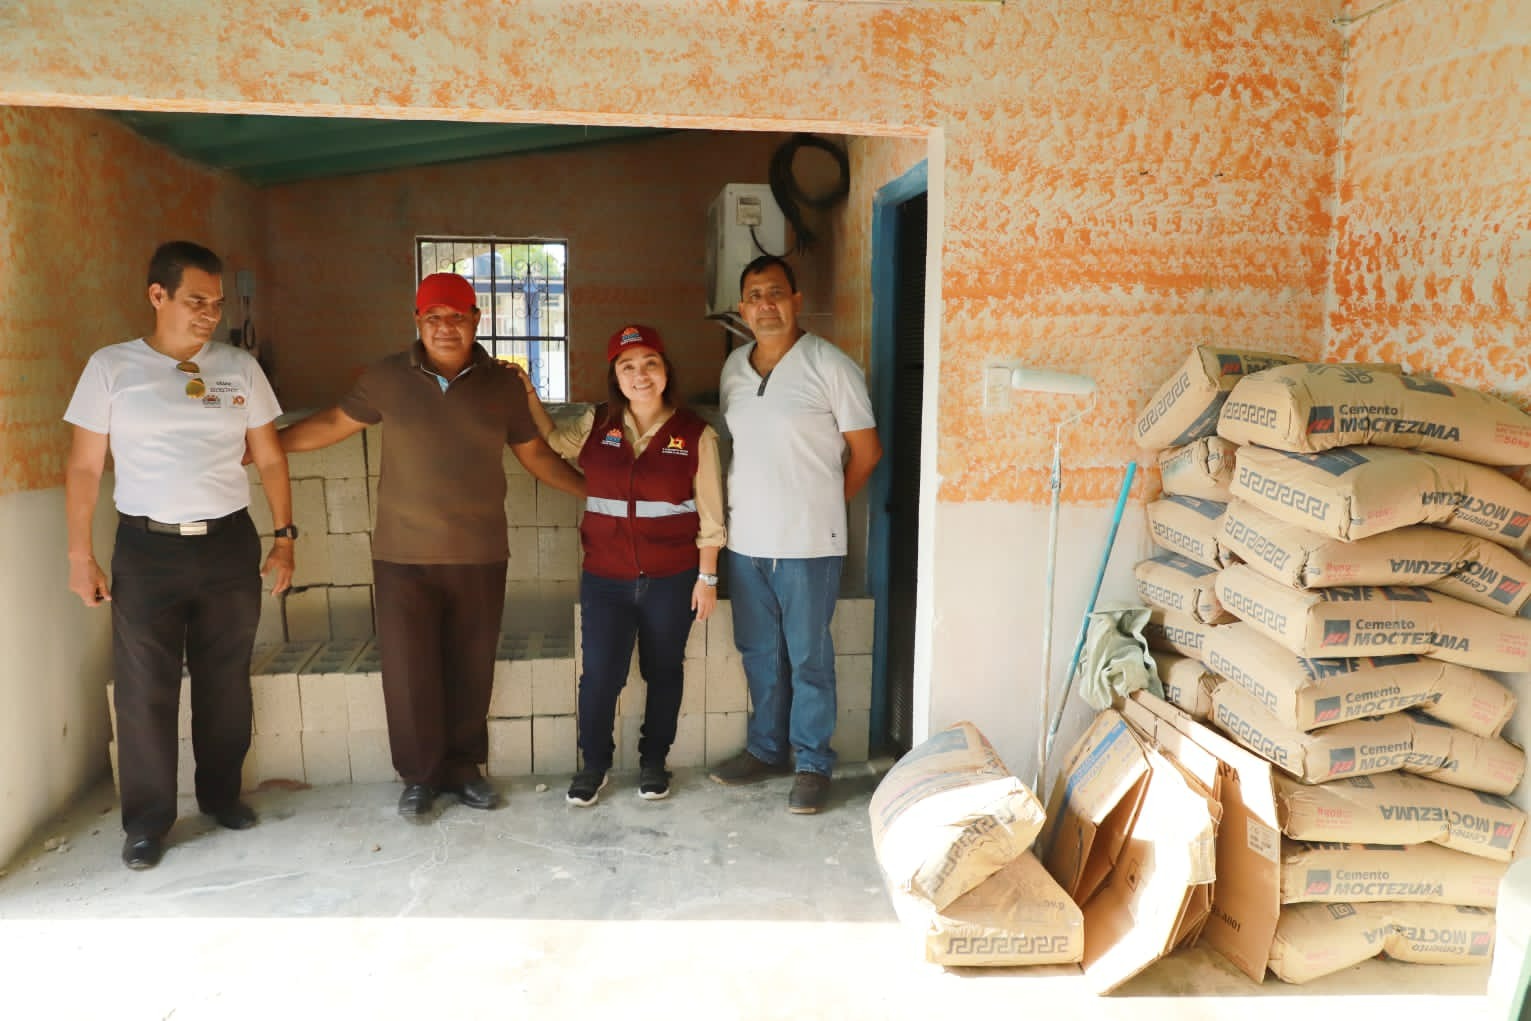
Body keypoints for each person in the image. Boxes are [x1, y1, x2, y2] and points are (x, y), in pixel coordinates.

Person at [277, 272, 584, 821]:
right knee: (409, 671)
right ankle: (419, 778)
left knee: (471, 666)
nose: (447, 326)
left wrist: (596, 490)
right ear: (418, 322)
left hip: (479, 551)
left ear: (477, 320)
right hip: (402, 556)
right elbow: (329, 424)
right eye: (434, 317)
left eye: (458, 315)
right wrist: (262, 447)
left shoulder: (503, 384)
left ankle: (465, 770)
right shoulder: (387, 378)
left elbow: (536, 456)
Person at [64, 241, 296, 870]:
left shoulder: (239, 367)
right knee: (144, 689)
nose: (209, 314)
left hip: (227, 544)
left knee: (225, 681)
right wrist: (79, 553)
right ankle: (146, 823)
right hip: (146, 549)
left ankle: (221, 796)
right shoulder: (111, 369)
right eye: (196, 300)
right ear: (157, 295)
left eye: (217, 304)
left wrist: (285, 537)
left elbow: (270, 456)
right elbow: (85, 467)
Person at [709, 254, 882, 814]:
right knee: (759, 652)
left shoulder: (831, 366)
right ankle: (766, 750)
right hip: (746, 542)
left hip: (809, 544)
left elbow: (867, 452)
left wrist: (825, 503)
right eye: (755, 295)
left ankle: (812, 762)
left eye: (776, 293)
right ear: (742, 307)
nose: (766, 305)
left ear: (796, 300)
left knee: (808, 657)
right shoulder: (734, 368)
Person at [524, 324, 725, 806]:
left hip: (673, 579)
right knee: (600, 676)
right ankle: (593, 765)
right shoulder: (597, 424)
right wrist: (529, 392)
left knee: (664, 672)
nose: (640, 374)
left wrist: (707, 578)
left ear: (665, 370)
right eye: (627, 366)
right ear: (615, 375)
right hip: (606, 579)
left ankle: (654, 762)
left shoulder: (696, 433)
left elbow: (712, 513)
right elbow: (552, 440)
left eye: (650, 363)